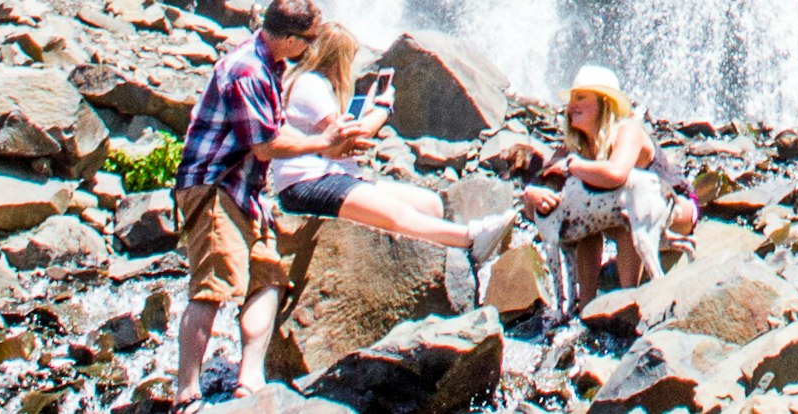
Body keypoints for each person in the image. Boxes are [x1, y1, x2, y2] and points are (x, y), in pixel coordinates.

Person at [268, 24, 519, 275]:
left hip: (336, 176)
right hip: (308, 182)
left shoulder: (320, 87)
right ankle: (472, 238)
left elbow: (340, 134)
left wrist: (367, 110)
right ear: (338, 57)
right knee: (397, 213)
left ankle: (441, 263)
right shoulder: (309, 84)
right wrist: (382, 107)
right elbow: (350, 137)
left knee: (431, 205)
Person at [171, 0, 322, 408]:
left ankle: (249, 381)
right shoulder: (247, 69)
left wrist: (323, 141)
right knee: (211, 288)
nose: (309, 48)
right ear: (289, 37)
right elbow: (265, 144)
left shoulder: (269, 67)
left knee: (268, 278)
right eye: (308, 40)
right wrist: (324, 142)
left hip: (245, 193)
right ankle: (186, 392)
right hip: (215, 188)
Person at [510, 69, 667, 299]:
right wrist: (531, 193)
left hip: (669, 206)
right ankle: (585, 308)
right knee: (583, 228)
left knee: (626, 221)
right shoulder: (576, 146)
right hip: (630, 214)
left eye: (581, 98)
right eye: (572, 99)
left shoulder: (627, 131)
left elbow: (616, 174)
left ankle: (631, 301)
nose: (572, 105)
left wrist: (573, 166)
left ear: (605, 103)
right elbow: (544, 181)